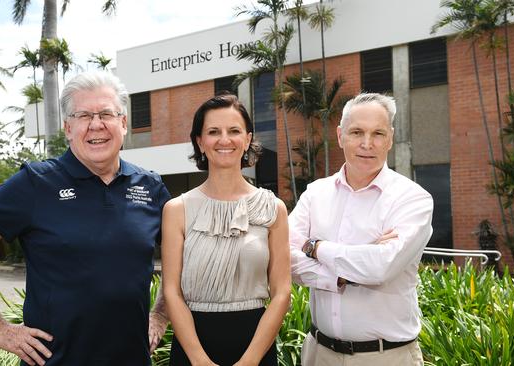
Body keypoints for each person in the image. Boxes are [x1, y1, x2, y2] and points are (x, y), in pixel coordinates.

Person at [0, 71, 171, 366]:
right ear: (68, 128)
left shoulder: (150, 187)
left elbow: (184, 253)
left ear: (123, 123)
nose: (96, 124)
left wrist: (161, 314)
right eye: (83, 115)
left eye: (106, 114)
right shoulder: (35, 183)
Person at [289, 93, 433, 366]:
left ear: (390, 138)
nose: (367, 144)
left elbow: (379, 268)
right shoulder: (315, 193)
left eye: (377, 133)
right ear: (341, 135)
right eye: (357, 132)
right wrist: (340, 277)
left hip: (386, 357)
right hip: (319, 354)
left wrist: (314, 247)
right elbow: (283, 256)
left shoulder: (413, 198)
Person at [161, 94, 290, 366]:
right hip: (192, 348)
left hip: (255, 346)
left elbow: (281, 293)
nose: (224, 140)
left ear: (247, 139)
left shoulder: (273, 208)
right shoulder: (176, 210)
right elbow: (172, 292)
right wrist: (199, 360)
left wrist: (250, 361)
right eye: (213, 132)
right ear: (200, 141)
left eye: (234, 131)